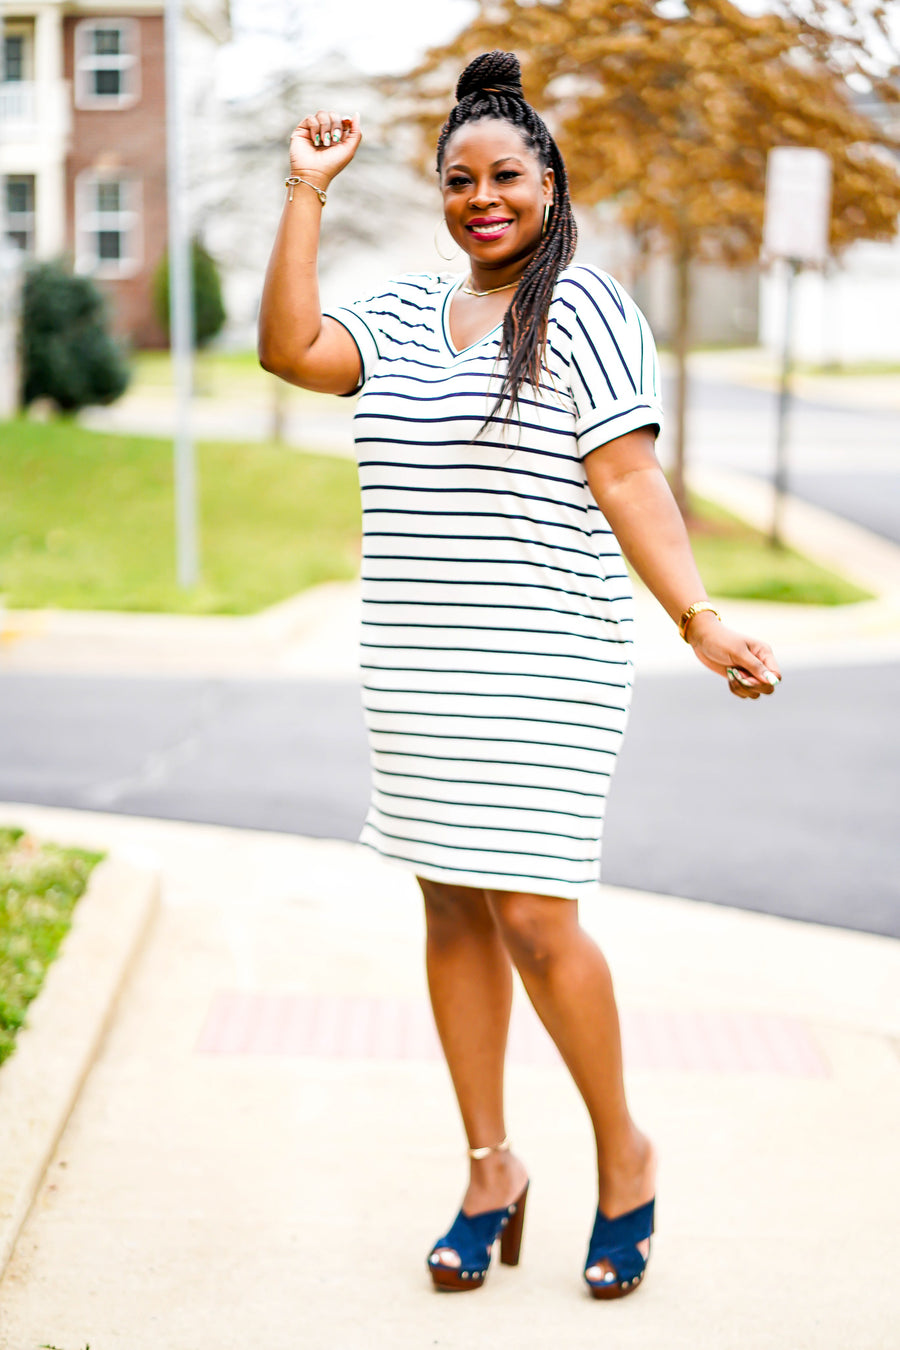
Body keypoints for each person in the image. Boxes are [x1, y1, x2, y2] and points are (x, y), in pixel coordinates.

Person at [258, 49, 782, 1299]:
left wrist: (697, 618)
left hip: (545, 663)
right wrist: (305, 191)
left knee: (539, 921)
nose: (480, 196)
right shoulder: (394, 315)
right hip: (419, 668)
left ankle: (625, 1154)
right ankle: (491, 1168)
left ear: (550, 182)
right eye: (459, 179)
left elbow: (628, 477)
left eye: (505, 175)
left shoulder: (589, 308)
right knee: (449, 910)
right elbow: (287, 348)